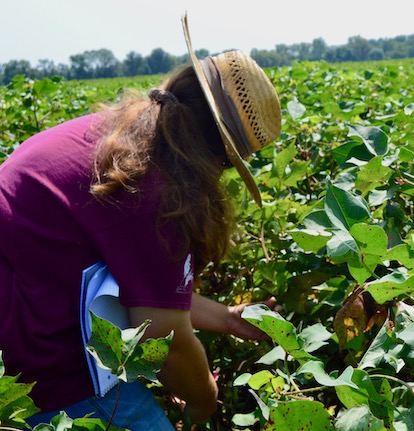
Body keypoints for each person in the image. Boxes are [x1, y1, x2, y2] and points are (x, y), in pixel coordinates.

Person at [0, 13, 282, 430]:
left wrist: (225, 318)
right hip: (40, 371)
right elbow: (162, 340)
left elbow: (137, 288)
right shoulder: (156, 187)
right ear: (218, 156)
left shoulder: (115, 138)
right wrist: (203, 399)